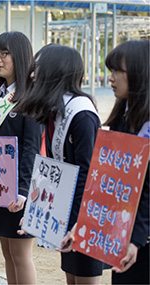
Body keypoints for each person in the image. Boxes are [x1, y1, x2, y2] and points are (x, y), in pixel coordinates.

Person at [16, 44, 103, 284]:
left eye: (39, 68)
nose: (32, 75)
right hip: (66, 215)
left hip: (82, 218)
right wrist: (37, 212)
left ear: (56, 72)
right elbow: (54, 170)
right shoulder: (57, 111)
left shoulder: (82, 114)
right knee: (72, 278)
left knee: (83, 276)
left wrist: (75, 223)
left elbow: (88, 175)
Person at [0, 31, 41, 284]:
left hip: (21, 189)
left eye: (4, 53)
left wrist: (22, 190)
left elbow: (31, 148)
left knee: (21, 253)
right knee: (7, 251)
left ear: (19, 56)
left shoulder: (31, 96)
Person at [103, 40, 149, 285]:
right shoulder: (123, 117)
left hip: (140, 237)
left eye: (117, 71)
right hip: (122, 233)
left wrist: (138, 239)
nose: (111, 79)